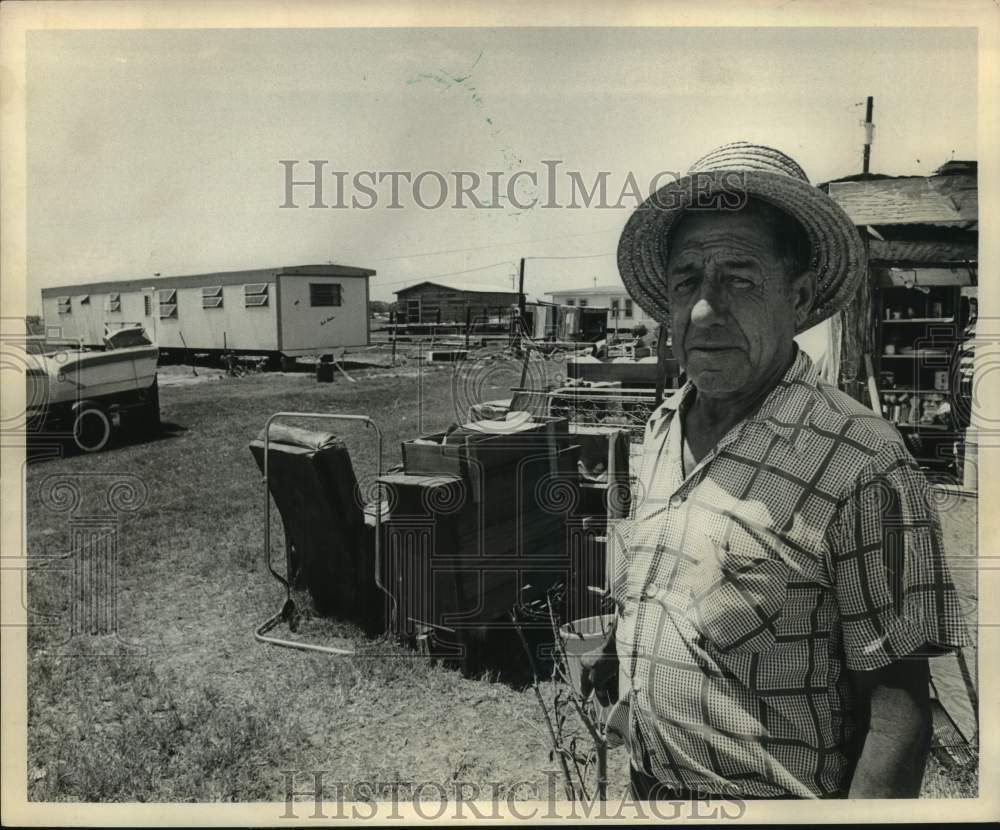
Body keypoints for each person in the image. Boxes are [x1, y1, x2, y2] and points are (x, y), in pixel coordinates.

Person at [584, 142, 970, 800]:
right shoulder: (659, 430)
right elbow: (678, 583)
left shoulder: (863, 462)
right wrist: (625, 649)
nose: (704, 310)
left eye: (740, 279)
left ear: (799, 296)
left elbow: (897, 715)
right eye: (686, 282)